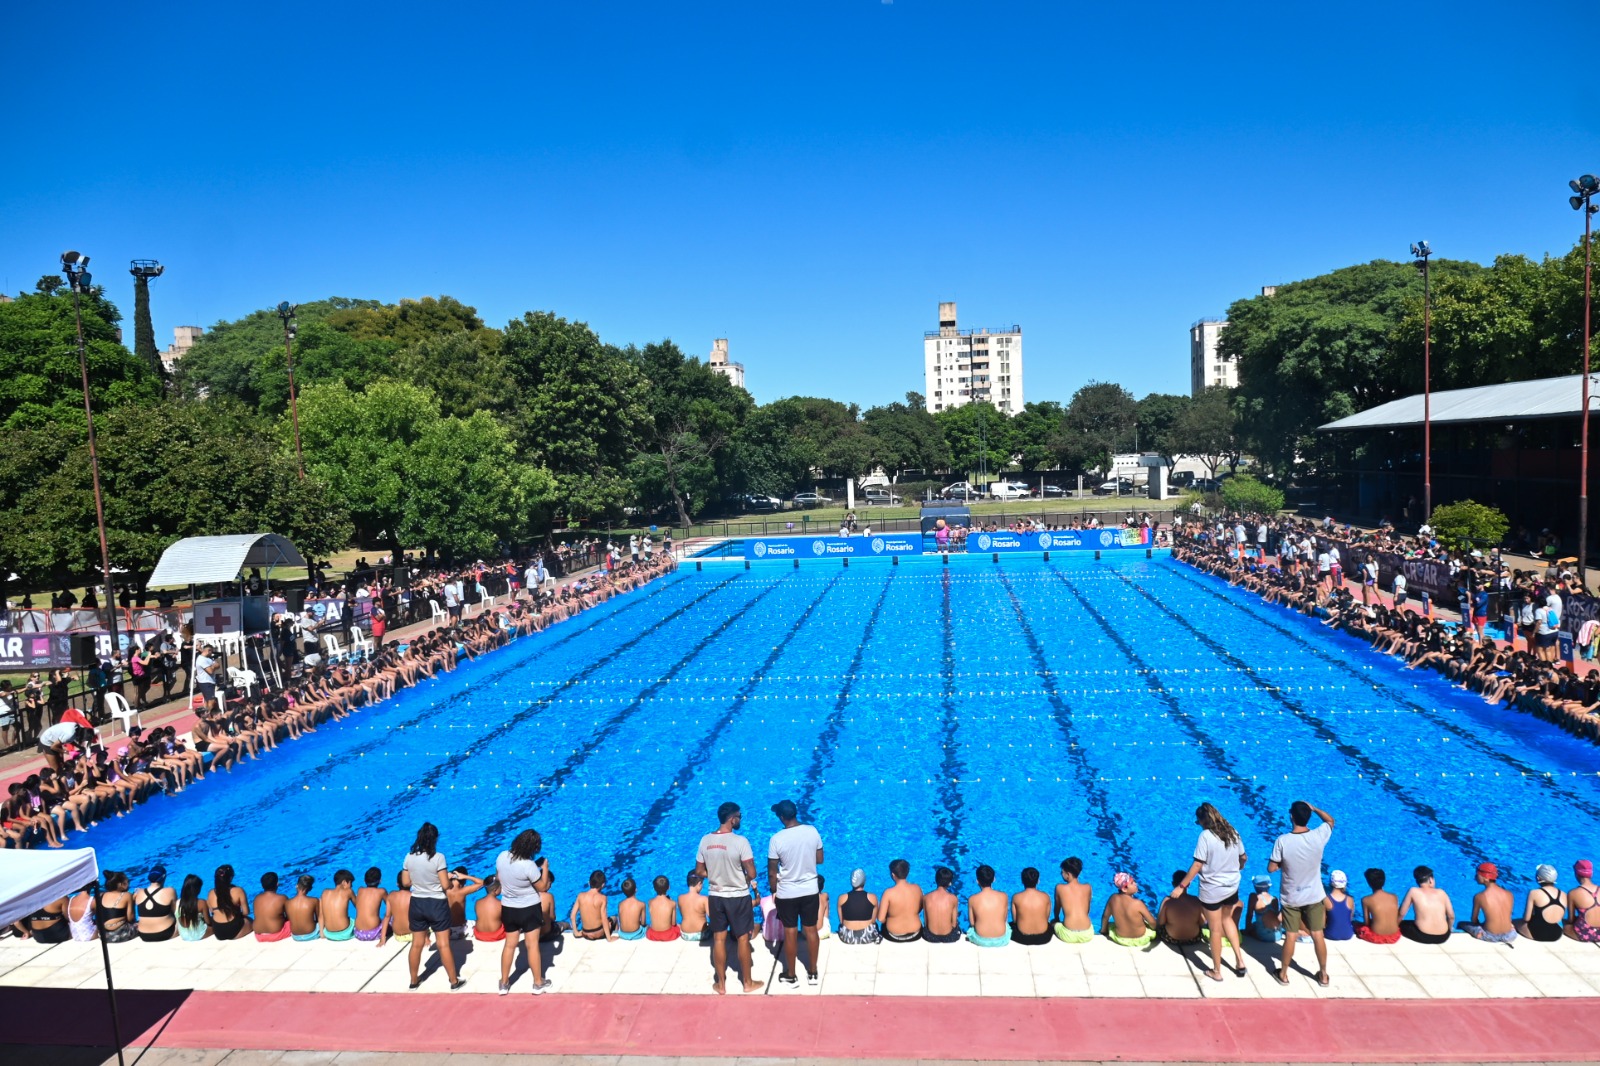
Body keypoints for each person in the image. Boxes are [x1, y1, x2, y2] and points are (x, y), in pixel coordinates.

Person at [694, 801, 763, 994]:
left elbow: (699, 870)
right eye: (739, 816)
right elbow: (752, 872)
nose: (740, 819)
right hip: (738, 896)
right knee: (742, 939)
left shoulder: (705, 840)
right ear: (732, 819)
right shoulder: (740, 842)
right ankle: (747, 983)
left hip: (716, 896)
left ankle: (721, 985)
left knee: (718, 939)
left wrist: (716, 875)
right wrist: (741, 877)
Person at [1172, 803, 1247, 980]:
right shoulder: (1232, 831)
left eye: (1198, 822)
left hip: (1212, 890)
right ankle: (1240, 961)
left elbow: (1198, 864)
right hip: (1231, 887)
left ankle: (1217, 971)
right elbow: (1243, 857)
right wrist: (1238, 867)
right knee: (1227, 919)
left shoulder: (1205, 836)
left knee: (1214, 929)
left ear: (1203, 821)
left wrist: (1181, 886)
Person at [1268, 800, 1334, 986]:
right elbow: (1330, 821)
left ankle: (1284, 974)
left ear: (1291, 816)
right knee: (1317, 934)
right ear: (1308, 817)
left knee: (1290, 935)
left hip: (1292, 897)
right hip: (1314, 895)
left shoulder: (1283, 841)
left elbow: (1272, 868)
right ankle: (1323, 975)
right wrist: (1315, 808)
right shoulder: (1318, 836)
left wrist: (1283, 862)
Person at [766, 798, 823, 985]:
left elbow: (772, 872)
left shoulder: (776, 839)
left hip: (787, 893)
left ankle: (791, 975)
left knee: (790, 933)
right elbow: (819, 859)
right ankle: (813, 972)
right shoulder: (812, 831)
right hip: (809, 890)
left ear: (782, 817)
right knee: (811, 930)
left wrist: (774, 891)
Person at [402, 821, 464, 989]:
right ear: (435, 839)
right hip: (436, 904)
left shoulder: (409, 857)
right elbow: (445, 885)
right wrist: (450, 879)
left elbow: (406, 882)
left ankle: (414, 981)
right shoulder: (438, 858)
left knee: (416, 944)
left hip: (417, 903)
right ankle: (453, 981)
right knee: (443, 944)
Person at [495, 829, 551, 993]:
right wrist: (545, 868)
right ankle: (538, 983)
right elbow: (542, 887)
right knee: (532, 945)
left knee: (509, 945)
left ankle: (504, 983)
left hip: (508, 908)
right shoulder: (529, 866)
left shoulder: (502, 856)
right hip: (529, 908)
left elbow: (499, 877)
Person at [1398, 865, 1455, 945]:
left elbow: (1401, 913)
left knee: (1403, 924)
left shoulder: (1413, 891)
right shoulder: (1442, 893)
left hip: (1423, 935)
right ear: (1431, 880)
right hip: (1443, 937)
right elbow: (1451, 916)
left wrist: (1395, 925)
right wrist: (1448, 930)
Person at [1465, 862, 1516, 944]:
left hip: (1490, 936)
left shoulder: (1480, 896)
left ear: (1485, 878)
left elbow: (1474, 920)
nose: (1475, 876)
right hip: (1510, 934)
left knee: (1463, 924)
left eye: (1477, 874)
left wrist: (1480, 926)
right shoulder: (1509, 894)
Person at [1100, 871, 1156, 947]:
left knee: (1111, 925)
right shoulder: (1137, 903)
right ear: (1124, 889)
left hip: (1121, 939)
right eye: (1132, 883)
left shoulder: (1113, 898)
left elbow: (1105, 917)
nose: (1136, 884)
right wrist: (1156, 929)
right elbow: (1152, 923)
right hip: (1141, 939)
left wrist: (1104, 931)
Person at [875, 858, 923, 943]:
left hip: (893, 935)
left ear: (893, 875)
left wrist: (890, 918)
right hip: (916, 934)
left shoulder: (888, 893)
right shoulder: (917, 888)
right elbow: (920, 908)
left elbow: (880, 918)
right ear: (907, 873)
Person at [1156, 871, 1206, 951]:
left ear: (1173, 883)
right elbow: (1202, 922)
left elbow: (1160, 922)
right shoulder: (1196, 900)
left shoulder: (1167, 901)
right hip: (1194, 939)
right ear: (1189, 884)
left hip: (1172, 938)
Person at [966, 864, 1011, 947]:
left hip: (980, 940)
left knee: (970, 930)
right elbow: (1005, 919)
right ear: (994, 879)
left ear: (977, 881)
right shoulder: (1004, 896)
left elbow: (972, 923)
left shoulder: (972, 899)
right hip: (1002, 939)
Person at [1052, 857, 1094, 944]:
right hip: (1087, 934)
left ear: (1068, 874)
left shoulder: (1060, 888)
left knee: (1053, 924)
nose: (1061, 874)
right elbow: (1087, 910)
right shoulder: (1088, 887)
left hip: (1068, 934)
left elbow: (1057, 908)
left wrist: (1056, 919)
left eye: (1062, 872)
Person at [1356, 869, 1402, 944]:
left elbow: (1366, 923)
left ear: (1369, 883)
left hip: (1377, 935)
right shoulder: (1394, 897)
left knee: (1358, 926)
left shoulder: (1366, 899)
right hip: (1395, 935)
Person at [134, 865, 178, 942]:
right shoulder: (170, 891)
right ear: (164, 877)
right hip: (165, 933)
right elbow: (176, 912)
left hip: (143, 935)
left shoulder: (139, 892)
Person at [837, 868, 880, 945]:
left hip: (847, 937)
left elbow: (841, 921)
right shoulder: (872, 897)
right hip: (867, 936)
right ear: (864, 881)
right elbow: (873, 921)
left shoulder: (842, 898)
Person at [1010, 867, 1052, 946]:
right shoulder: (1046, 896)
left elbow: (1015, 920)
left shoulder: (1016, 897)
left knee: (1009, 926)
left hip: (1022, 938)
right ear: (1038, 881)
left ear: (1022, 881)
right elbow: (1047, 918)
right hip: (1044, 938)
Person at [569, 870, 616, 941]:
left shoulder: (580, 896)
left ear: (589, 883)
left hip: (585, 933)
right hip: (599, 932)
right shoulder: (603, 898)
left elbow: (572, 916)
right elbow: (604, 919)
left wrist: (576, 933)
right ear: (603, 885)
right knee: (614, 919)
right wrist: (609, 938)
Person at [208, 865, 250, 942]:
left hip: (218, 931)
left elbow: (211, 911)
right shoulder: (238, 891)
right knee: (251, 921)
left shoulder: (211, 893)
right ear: (230, 878)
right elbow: (246, 912)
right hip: (233, 929)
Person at [922, 866, 961, 943]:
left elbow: (926, 922)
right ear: (950, 883)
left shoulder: (926, 897)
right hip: (949, 937)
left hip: (930, 936)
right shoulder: (953, 898)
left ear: (936, 880)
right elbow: (954, 923)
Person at [1565, 859, 1598, 943]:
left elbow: (1571, 920)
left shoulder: (1573, 893)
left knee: (1566, 926)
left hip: (1584, 935)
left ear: (1576, 873)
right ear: (1591, 873)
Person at [354, 867, 389, 945]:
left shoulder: (360, 890)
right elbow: (391, 907)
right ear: (380, 881)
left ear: (364, 880)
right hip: (374, 933)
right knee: (391, 920)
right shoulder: (381, 891)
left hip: (358, 933)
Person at [253, 871, 291, 942]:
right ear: (277, 884)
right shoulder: (282, 898)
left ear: (262, 886)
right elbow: (290, 917)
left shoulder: (256, 898)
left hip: (259, 936)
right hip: (277, 934)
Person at [320, 869, 356, 941]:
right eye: (350, 883)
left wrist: (322, 933)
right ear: (344, 882)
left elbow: (321, 914)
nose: (351, 886)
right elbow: (359, 907)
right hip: (345, 933)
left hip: (328, 933)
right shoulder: (348, 891)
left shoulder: (325, 893)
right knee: (355, 920)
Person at [1245, 874, 1283, 943]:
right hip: (1278, 934)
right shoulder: (1274, 899)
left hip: (1264, 936)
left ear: (1255, 886)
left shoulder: (1254, 897)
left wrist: (1247, 930)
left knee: (1251, 927)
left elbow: (1249, 915)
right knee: (1255, 924)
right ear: (1268, 887)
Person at [176, 874, 211, 941]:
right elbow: (208, 922)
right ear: (197, 889)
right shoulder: (202, 903)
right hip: (198, 935)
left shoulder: (177, 902)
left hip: (184, 935)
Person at [1324, 870, 1355, 942]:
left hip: (1330, 934)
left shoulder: (1326, 899)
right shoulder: (1350, 900)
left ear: (1331, 883)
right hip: (1348, 934)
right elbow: (1350, 919)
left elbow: (1322, 924)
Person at [646, 875, 680, 941]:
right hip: (668, 935)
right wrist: (670, 900)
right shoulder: (672, 903)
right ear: (668, 887)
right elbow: (673, 923)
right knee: (677, 927)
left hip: (652, 934)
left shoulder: (650, 902)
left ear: (654, 888)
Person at [287, 876, 321, 941]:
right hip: (311, 935)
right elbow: (318, 918)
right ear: (310, 888)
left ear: (297, 886)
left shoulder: (287, 902)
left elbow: (290, 919)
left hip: (295, 936)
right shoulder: (314, 900)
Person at [678, 871, 708, 942]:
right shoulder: (704, 899)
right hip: (702, 935)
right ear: (699, 883)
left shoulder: (680, 898)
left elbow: (682, 914)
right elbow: (712, 918)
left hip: (685, 935)